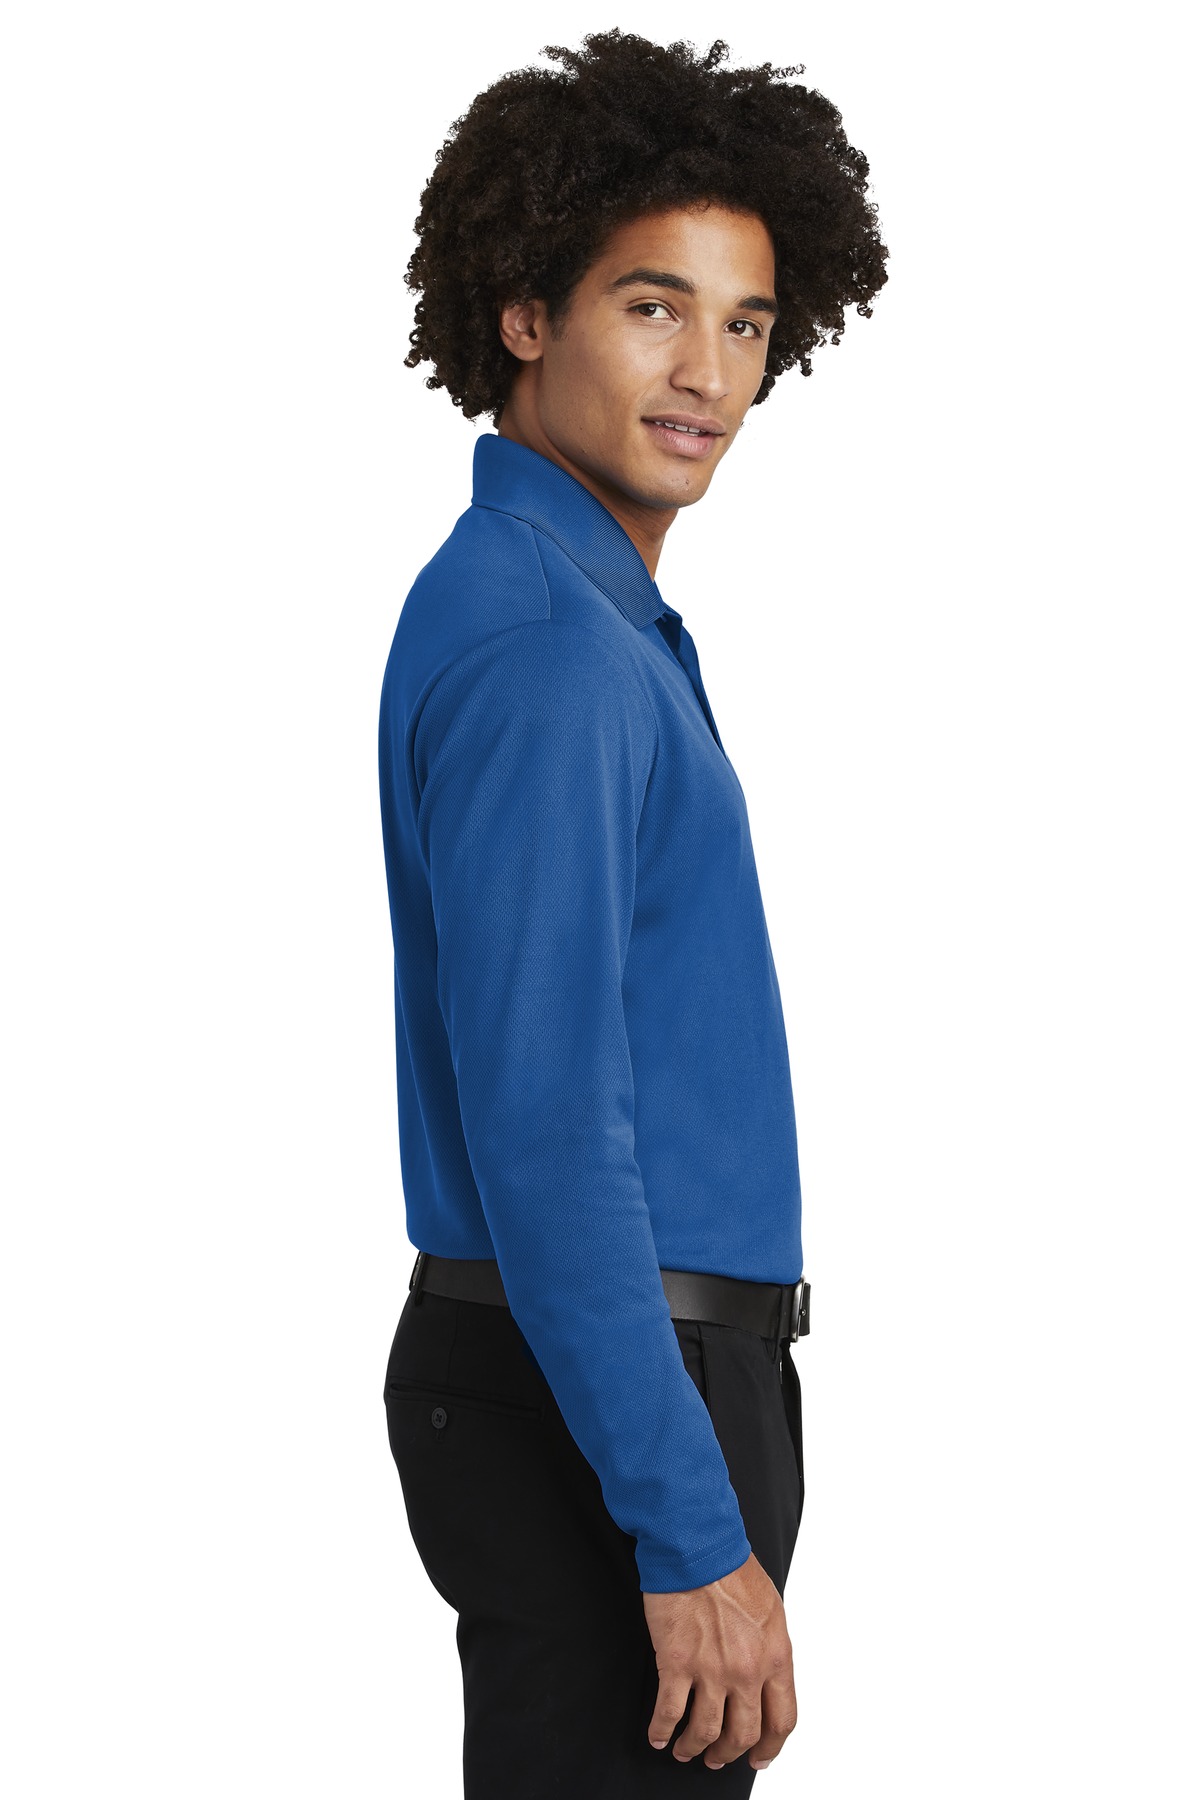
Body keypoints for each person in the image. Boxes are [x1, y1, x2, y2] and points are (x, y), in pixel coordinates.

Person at [376, 29, 888, 1796]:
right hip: (601, 1383)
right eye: (653, 308)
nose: (709, 375)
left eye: (747, 324)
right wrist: (686, 1523)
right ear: (525, 313)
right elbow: (545, 1126)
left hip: (594, 1370)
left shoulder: (569, 611)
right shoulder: (549, 650)